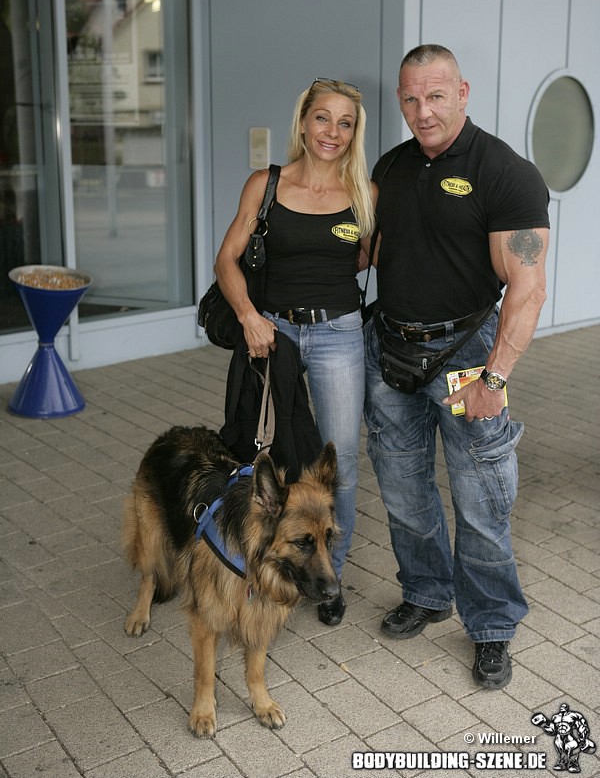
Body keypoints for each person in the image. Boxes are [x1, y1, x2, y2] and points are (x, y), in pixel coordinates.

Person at [364, 44, 549, 689]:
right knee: (402, 487)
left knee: (478, 500)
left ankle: (492, 625)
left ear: (463, 93)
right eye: (411, 99)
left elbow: (528, 288)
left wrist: (494, 378)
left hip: (467, 355)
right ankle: (425, 591)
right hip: (390, 347)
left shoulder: (505, 173)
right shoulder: (390, 167)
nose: (424, 112)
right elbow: (368, 251)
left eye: (436, 96)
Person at [215, 78, 377, 626]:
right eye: (323, 118)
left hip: (338, 334)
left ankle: (329, 579)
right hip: (273, 333)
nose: (333, 131)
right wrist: (248, 316)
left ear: (354, 133)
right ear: (303, 122)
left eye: (345, 123)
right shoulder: (265, 184)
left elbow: (366, 258)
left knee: (339, 461)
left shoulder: (364, 194)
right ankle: (266, 566)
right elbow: (227, 260)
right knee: (270, 451)